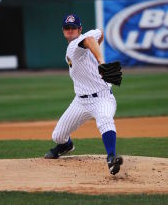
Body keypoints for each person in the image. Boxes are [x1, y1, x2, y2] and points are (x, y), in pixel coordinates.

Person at [45, 14, 123, 175]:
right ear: (63, 31)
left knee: (105, 120)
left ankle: (111, 157)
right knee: (58, 136)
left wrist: (101, 62)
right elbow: (98, 34)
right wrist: (94, 51)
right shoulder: (77, 44)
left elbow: (92, 38)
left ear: (80, 29)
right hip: (80, 102)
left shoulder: (79, 42)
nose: (70, 30)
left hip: (102, 97)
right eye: (67, 28)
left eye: (74, 27)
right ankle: (66, 146)